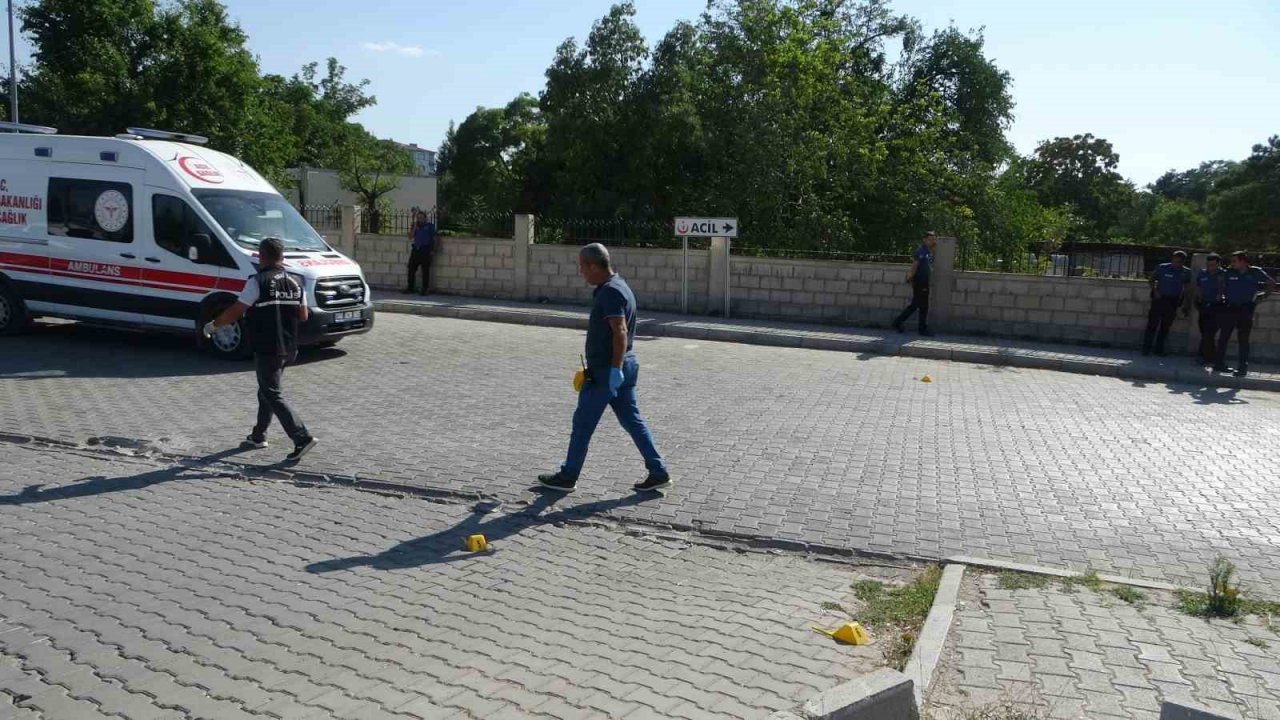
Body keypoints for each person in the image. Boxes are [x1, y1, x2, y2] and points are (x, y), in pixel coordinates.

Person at [538, 243, 671, 494]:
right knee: (632, 421)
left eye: (582, 267)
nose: (581, 272)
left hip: (606, 370)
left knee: (583, 423)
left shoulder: (609, 292)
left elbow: (619, 331)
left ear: (593, 265)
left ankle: (568, 476)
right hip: (623, 366)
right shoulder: (619, 285)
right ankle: (658, 471)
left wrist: (613, 369)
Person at [203, 237, 318, 462]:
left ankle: (302, 437)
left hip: (267, 346)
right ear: (282, 257)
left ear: (261, 257)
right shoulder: (296, 281)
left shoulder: (257, 281)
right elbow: (303, 315)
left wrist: (214, 325)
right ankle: (258, 436)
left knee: (272, 392)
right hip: (289, 347)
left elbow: (236, 310)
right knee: (267, 389)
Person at [1213, 251, 1277, 377]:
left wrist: (1264, 295)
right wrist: (1221, 294)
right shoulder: (1230, 272)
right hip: (1230, 307)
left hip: (1246, 309)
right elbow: (1220, 282)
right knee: (1224, 337)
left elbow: (1271, 283)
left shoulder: (1255, 272)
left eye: (1234, 261)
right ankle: (1219, 364)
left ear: (1243, 261)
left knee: (1243, 339)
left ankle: (1242, 368)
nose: (1232, 263)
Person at [1141, 250, 1192, 356]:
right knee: (1152, 325)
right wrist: (1155, 291)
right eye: (1174, 260)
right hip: (1159, 299)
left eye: (1179, 262)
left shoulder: (1186, 272)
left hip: (1173, 301)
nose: (1176, 263)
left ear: (1183, 262)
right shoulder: (1162, 267)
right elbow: (1152, 280)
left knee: (1165, 327)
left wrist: (1186, 303)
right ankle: (1146, 348)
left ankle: (1159, 349)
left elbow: (1187, 288)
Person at [892, 231, 936, 337]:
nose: (932, 241)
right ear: (924, 239)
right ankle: (921, 329)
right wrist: (910, 277)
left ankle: (898, 322)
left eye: (934, 239)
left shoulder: (928, 251)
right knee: (922, 305)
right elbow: (915, 265)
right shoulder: (921, 251)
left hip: (924, 282)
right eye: (930, 239)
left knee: (917, 305)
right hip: (920, 282)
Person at [1192, 253, 1226, 365]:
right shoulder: (1203, 273)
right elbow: (1198, 286)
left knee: (1209, 333)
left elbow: (1227, 289)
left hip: (1217, 307)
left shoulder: (1223, 274)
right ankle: (1208, 356)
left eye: (1213, 265)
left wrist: (1221, 295)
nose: (1210, 267)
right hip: (1203, 306)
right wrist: (1198, 298)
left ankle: (1205, 357)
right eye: (1208, 264)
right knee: (1205, 332)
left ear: (1218, 264)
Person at [404, 210, 436, 295]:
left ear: (425, 218)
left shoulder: (430, 226)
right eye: (418, 218)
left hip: (425, 249)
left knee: (425, 270)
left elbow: (433, 239)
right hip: (416, 249)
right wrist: (414, 226)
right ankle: (410, 287)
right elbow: (410, 237)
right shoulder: (414, 226)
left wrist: (432, 250)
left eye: (421, 217)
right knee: (411, 268)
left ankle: (425, 289)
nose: (420, 219)